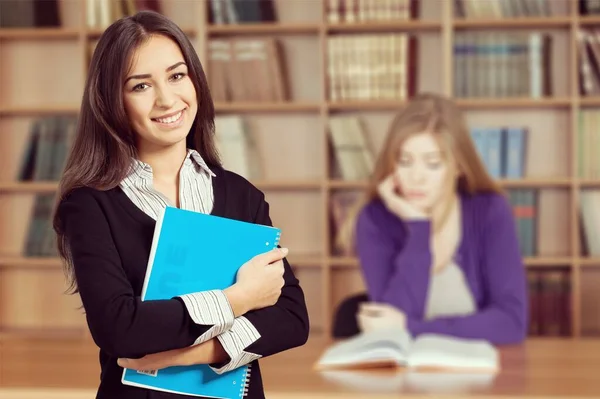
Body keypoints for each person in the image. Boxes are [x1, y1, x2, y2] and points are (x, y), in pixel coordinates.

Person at [52, 11, 309, 399]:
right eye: (140, 86)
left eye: (177, 76)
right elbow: (119, 328)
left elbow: (291, 318)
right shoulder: (90, 206)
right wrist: (238, 299)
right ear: (112, 101)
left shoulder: (242, 196)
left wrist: (186, 354)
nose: (167, 99)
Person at [345, 93, 527, 345]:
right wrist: (419, 229)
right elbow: (388, 330)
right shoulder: (375, 220)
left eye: (432, 163)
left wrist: (412, 328)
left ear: (459, 166)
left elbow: (511, 323)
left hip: (480, 374)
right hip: (404, 376)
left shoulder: (489, 212)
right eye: (404, 161)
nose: (416, 177)